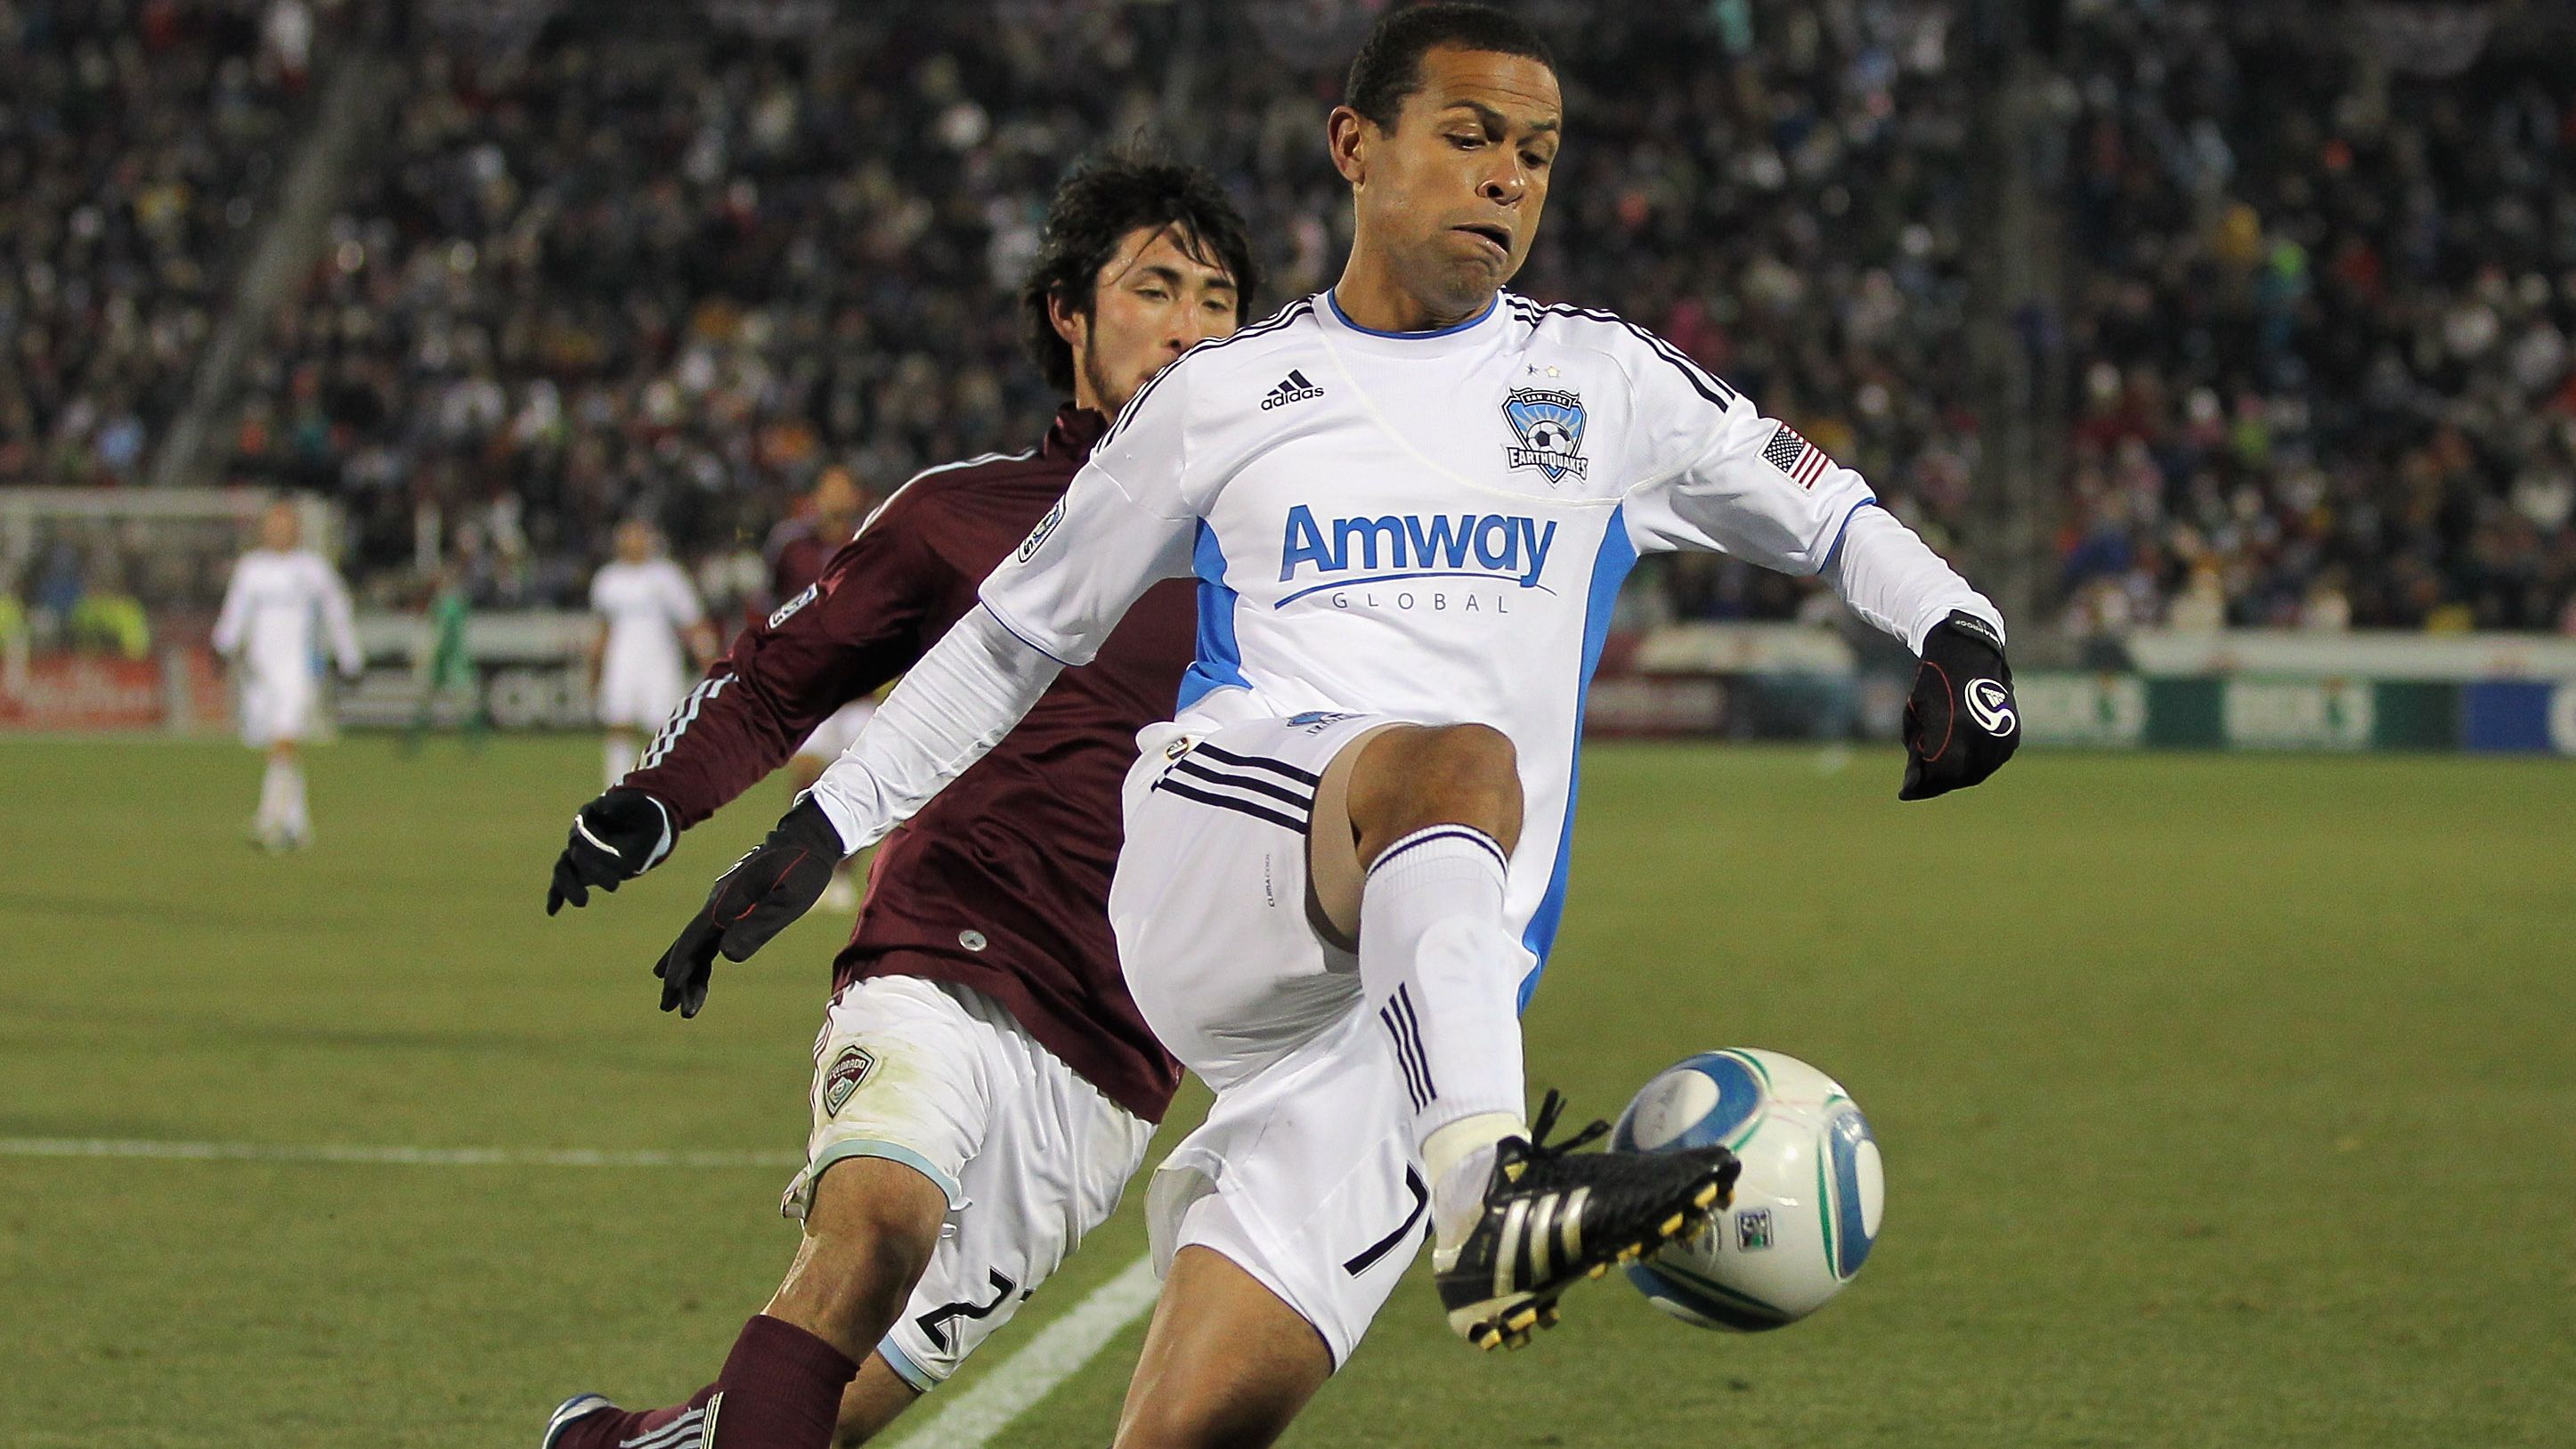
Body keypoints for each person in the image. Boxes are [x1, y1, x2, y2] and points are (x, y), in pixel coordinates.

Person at [670, 7, 2024, 1447]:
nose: (1505, 175)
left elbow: (1824, 508)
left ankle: (1468, 1174)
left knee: (1196, 1422)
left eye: (1535, 153)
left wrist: (1957, 628)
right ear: (1354, 148)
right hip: (1223, 856)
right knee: (1452, 759)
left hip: (1421, 1004)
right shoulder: (1221, 392)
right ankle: (1492, 1198)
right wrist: (828, 818)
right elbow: (1020, 629)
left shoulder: (1604, 385)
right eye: (1467, 136)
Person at [540, 153, 1258, 1449]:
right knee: (875, 1230)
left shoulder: (1286, 548)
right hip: (944, 953)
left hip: (1119, 1056)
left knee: (817, 1405)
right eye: (1156, 288)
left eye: (1218, 300)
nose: (1193, 326)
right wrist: (654, 802)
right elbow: (777, 681)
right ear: (1071, 314)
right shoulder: (962, 516)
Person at [211, 500, 362, 851]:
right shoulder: (251, 569)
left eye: (284, 525)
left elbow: (337, 612)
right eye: (271, 525)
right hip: (258, 675)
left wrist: (350, 658)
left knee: (283, 742)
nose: (276, 531)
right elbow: (235, 612)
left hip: (297, 671)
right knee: (274, 745)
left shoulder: (313, 569)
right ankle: (298, 825)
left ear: (297, 529)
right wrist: (222, 646)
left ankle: (270, 819)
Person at [769, 466, 875, 911]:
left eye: (843, 488)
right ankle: (806, 872)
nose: (836, 496)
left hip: (862, 685)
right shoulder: (791, 547)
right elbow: (769, 605)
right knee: (806, 779)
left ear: (853, 495)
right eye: (828, 488)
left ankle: (843, 876)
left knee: (862, 788)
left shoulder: (874, 539)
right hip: (813, 684)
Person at [588, 518, 717, 789]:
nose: (633, 542)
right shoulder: (607, 579)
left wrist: (709, 662)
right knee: (619, 724)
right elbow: (603, 629)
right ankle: (616, 787)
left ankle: (662, 787)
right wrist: (595, 669)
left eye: (639, 536)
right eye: (627, 536)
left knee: (663, 727)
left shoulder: (667, 576)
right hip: (621, 661)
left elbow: (692, 622)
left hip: (659, 662)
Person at [405, 560, 487, 750]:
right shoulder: (452, 602)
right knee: (438, 697)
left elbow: (444, 633)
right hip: (450, 658)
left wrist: (432, 654)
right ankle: (415, 738)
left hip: (449, 659)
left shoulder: (448, 604)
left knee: (458, 700)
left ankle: (476, 736)